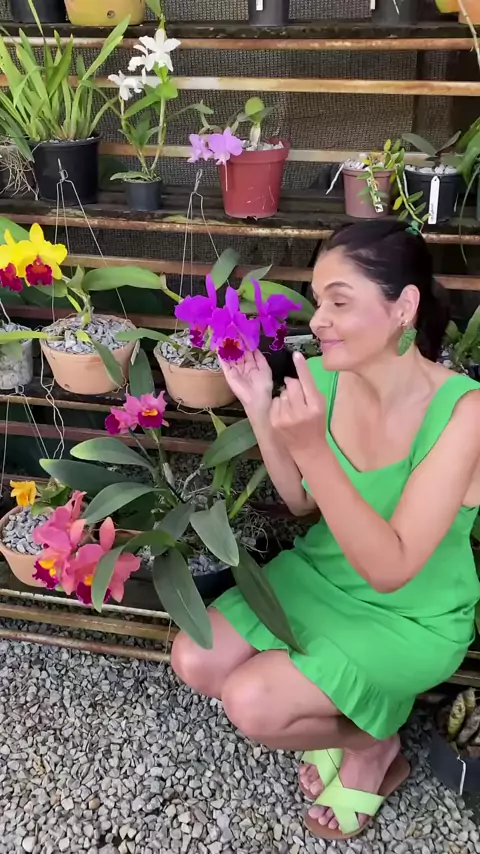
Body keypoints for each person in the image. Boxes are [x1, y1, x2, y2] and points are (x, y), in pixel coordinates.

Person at [172, 220, 480, 841]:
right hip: (323, 573)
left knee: (252, 703)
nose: (317, 320)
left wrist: (313, 447)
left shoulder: (465, 413)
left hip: (410, 611)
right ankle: (363, 724)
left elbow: (392, 568)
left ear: (404, 307)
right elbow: (301, 500)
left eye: (340, 302)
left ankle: (373, 745)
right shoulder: (326, 377)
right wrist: (259, 403)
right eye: (318, 302)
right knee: (195, 658)